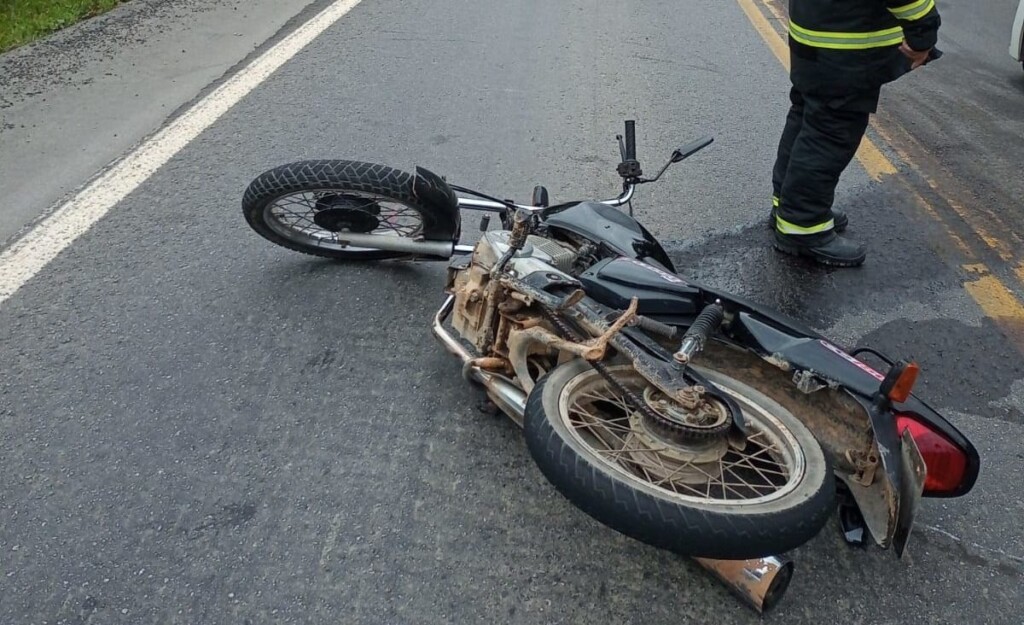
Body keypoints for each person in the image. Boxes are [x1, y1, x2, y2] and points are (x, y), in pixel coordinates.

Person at [769, 0, 941, 267]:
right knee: (829, 133)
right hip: (844, 48)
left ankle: (788, 206)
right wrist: (924, 32)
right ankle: (803, 224)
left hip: (815, 33)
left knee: (806, 117)